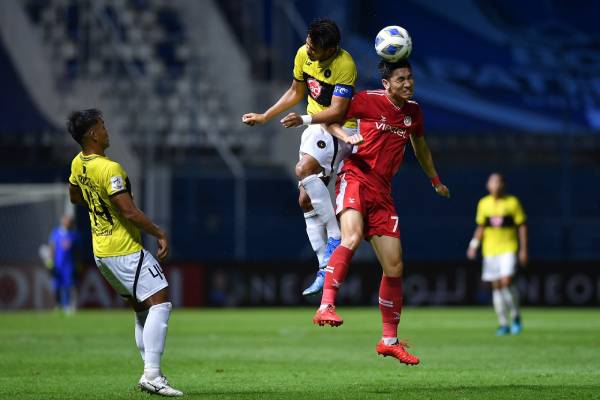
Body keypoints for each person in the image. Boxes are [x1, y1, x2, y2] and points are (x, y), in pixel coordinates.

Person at [313, 59, 450, 366]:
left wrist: (435, 180)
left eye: (410, 78)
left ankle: (389, 341)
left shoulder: (413, 112)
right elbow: (330, 119)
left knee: (395, 266)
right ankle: (326, 305)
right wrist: (346, 137)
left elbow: (421, 147)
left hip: (383, 193)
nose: (408, 84)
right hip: (356, 177)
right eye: (401, 79)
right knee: (352, 236)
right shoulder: (367, 100)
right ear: (387, 84)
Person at [242, 18, 363, 296]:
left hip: (339, 127)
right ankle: (323, 264)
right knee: (305, 200)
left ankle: (335, 236)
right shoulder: (302, 53)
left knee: (302, 168)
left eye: (314, 48)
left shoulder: (345, 66)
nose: (308, 50)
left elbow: (337, 111)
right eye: (308, 42)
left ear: (331, 49)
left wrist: (304, 118)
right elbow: (296, 91)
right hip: (313, 126)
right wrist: (264, 116)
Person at [67, 109, 182, 396]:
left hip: (101, 252)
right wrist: (159, 232)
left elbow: (74, 195)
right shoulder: (110, 169)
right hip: (123, 248)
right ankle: (152, 375)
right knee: (160, 301)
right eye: (103, 126)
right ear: (93, 133)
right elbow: (129, 212)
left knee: (142, 308)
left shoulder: (78, 164)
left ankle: (151, 372)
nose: (107, 131)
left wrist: (96, 199)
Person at [467, 173, 527, 336]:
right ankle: (503, 323)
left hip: (508, 247)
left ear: (503, 185)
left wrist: (523, 249)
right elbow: (481, 227)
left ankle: (515, 316)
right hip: (490, 250)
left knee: (506, 281)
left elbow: (521, 226)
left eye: (498, 182)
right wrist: (474, 245)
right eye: (492, 182)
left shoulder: (512, 202)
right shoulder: (484, 203)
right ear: (488, 185)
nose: (495, 185)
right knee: (496, 285)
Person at [48, 214, 80, 313]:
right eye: (66, 220)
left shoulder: (74, 235)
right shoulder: (56, 233)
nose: (68, 222)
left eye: (70, 221)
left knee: (69, 285)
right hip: (58, 264)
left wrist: (79, 264)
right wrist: (50, 261)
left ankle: (70, 305)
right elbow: (52, 247)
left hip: (69, 264)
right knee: (56, 285)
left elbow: (78, 251)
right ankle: (58, 305)